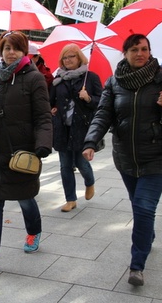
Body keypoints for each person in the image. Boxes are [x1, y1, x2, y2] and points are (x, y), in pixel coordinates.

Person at [82, 34, 162, 286]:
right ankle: (148, 234)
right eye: (134, 49)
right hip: (125, 158)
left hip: (158, 157)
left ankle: (137, 265)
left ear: (150, 51)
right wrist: (90, 142)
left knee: (143, 206)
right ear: (125, 54)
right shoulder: (114, 82)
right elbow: (103, 114)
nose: (140, 53)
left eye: (144, 49)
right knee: (139, 205)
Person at [0, 31, 52, 273]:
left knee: (26, 199)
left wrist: (43, 144)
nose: (10, 52)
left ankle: (33, 231)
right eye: (6, 48)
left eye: (16, 48)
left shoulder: (34, 79)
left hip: (21, 153)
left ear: (24, 51)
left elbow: (43, 117)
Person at [50, 44, 102, 212]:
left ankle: (89, 181)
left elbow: (101, 102)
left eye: (71, 56)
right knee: (65, 166)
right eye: (65, 57)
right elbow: (51, 101)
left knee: (81, 163)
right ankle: (70, 199)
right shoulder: (58, 79)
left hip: (82, 128)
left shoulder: (90, 77)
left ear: (79, 58)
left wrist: (88, 98)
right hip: (63, 129)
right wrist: (52, 109)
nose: (68, 60)